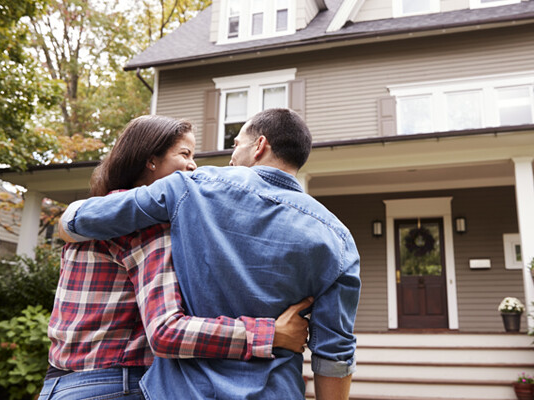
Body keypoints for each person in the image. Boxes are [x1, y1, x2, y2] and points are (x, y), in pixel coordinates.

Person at [60, 108, 361, 399]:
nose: (231, 157)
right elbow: (334, 352)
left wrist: (68, 222)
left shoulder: (191, 188)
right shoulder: (339, 239)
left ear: (260, 146)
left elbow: (86, 218)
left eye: (236, 145)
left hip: (186, 391)